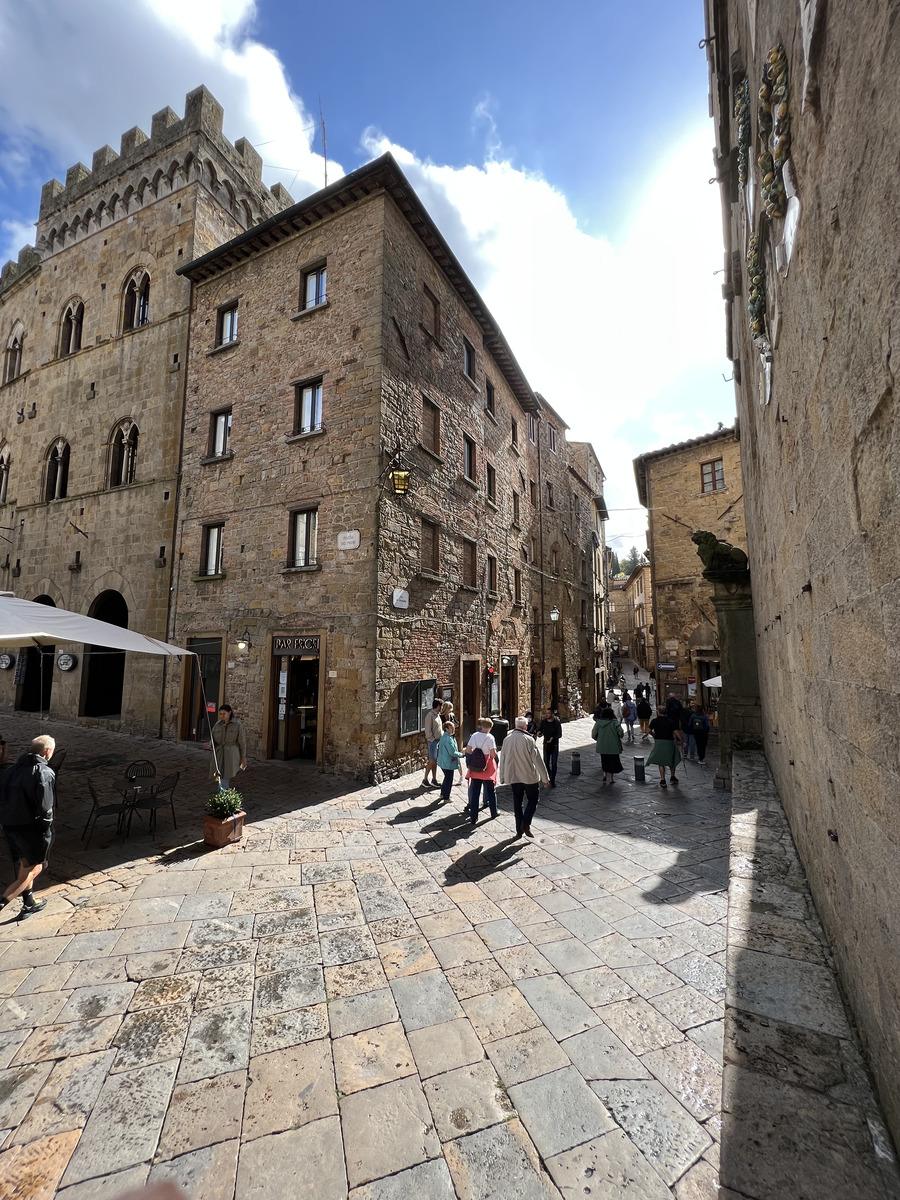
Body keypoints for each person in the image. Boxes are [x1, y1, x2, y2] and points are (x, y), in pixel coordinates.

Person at [0, 735, 56, 918]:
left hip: (10, 826)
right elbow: (45, 809)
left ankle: (29, 903)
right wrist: (45, 828)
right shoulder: (44, 773)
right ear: (47, 752)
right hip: (31, 829)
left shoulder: (10, 771)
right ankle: (2, 903)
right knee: (35, 868)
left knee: (25, 864)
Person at [498, 716, 549, 837]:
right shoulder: (529, 740)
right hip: (528, 776)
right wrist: (545, 778)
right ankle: (526, 823)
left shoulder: (507, 740)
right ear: (525, 726)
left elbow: (503, 759)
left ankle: (518, 830)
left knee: (517, 802)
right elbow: (537, 760)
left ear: (516, 725)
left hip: (513, 776)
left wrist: (502, 776)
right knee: (533, 799)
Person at [204, 705, 247, 791]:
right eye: (220, 714)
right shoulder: (217, 725)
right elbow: (213, 739)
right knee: (219, 774)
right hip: (219, 753)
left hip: (231, 754)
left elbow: (242, 743)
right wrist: (209, 744)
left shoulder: (237, 725)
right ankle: (222, 794)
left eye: (224, 713)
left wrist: (243, 757)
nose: (222, 716)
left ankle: (222, 795)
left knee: (225, 775)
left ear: (229, 713)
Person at [465, 717, 499, 823]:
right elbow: (493, 754)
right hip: (487, 766)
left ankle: (473, 817)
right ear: (490, 727)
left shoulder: (474, 736)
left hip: (476, 767)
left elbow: (468, 750)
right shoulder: (490, 737)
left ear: (481, 726)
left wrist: (476, 755)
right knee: (490, 791)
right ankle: (494, 812)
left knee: (475, 792)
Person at [646, 710, 684, 788]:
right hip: (669, 742)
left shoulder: (655, 721)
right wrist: (683, 741)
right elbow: (676, 732)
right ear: (666, 712)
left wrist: (654, 735)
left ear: (658, 712)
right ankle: (672, 776)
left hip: (659, 742)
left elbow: (648, 730)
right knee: (672, 759)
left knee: (661, 761)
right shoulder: (671, 721)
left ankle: (663, 780)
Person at [592, 707, 625, 785]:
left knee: (604, 760)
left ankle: (604, 774)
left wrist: (599, 739)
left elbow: (594, 734)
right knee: (612, 762)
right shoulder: (615, 722)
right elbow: (621, 733)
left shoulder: (598, 723)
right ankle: (611, 778)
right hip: (614, 746)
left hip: (602, 745)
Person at [436, 721, 466, 800]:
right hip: (448, 763)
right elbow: (452, 752)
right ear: (446, 729)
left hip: (443, 762)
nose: (453, 729)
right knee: (449, 780)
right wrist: (461, 754)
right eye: (451, 728)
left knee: (446, 778)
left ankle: (443, 794)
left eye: (453, 728)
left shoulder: (444, 737)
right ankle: (446, 797)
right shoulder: (448, 739)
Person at [538, 707, 562, 787]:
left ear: (552, 714)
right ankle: (549, 777)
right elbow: (540, 730)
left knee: (554, 764)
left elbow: (559, 734)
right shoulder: (544, 722)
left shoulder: (556, 722)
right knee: (546, 763)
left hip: (554, 745)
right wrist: (539, 733)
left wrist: (553, 738)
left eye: (548, 713)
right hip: (546, 745)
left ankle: (553, 780)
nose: (547, 715)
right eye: (546, 713)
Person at [422, 698, 443, 786]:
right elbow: (428, 730)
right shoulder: (429, 716)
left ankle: (434, 779)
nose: (442, 708)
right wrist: (432, 739)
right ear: (438, 706)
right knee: (431, 761)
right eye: (441, 706)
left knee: (435, 761)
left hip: (439, 740)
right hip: (433, 742)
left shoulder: (437, 715)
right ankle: (425, 779)